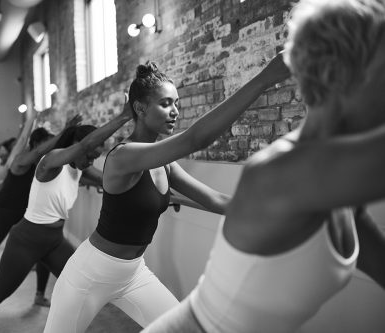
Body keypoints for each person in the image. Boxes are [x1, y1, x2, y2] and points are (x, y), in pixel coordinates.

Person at [142, 0, 385, 332]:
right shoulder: (281, 173)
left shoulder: (338, 191)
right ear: (333, 75)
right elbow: (194, 139)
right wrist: (262, 80)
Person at [43, 52, 290, 332]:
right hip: (90, 274)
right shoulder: (125, 156)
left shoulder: (165, 164)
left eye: (176, 103)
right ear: (139, 108)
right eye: (165, 104)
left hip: (133, 273)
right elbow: (197, 138)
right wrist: (264, 79)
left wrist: (277, 212)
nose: (175, 111)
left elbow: (215, 199)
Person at [0, 101, 132, 333]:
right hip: (26, 240)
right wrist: (124, 116)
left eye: (95, 157)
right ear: (76, 147)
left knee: (81, 289)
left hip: (54, 241)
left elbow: (111, 180)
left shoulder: (80, 169)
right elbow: (85, 144)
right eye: (89, 155)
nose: (90, 161)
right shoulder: (51, 161)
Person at [0, 114, 82, 305]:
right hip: (3, 211)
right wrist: (62, 129)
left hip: (26, 213)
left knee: (43, 252)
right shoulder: (21, 160)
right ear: (37, 143)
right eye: (46, 143)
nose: (50, 148)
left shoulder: (45, 165)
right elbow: (37, 148)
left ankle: (39, 295)